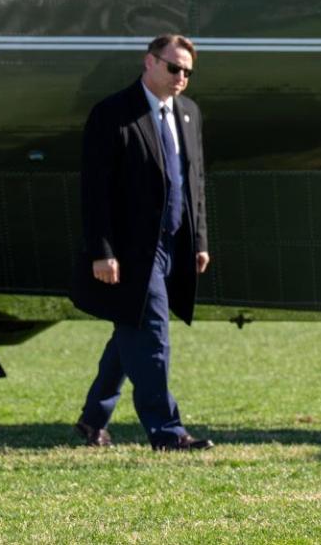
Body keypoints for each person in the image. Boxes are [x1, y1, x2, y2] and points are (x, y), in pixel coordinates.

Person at [69, 34, 213, 451]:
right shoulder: (113, 113)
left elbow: (195, 183)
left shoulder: (189, 113)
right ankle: (167, 432)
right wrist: (102, 251)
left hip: (173, 244)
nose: (181, 77)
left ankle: (92, 418)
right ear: (149, 62)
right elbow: (95, 191)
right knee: (152, 336)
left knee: (130, 327)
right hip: (132, 249)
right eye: (174, 68)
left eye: (187, 72)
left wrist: (198, 240)